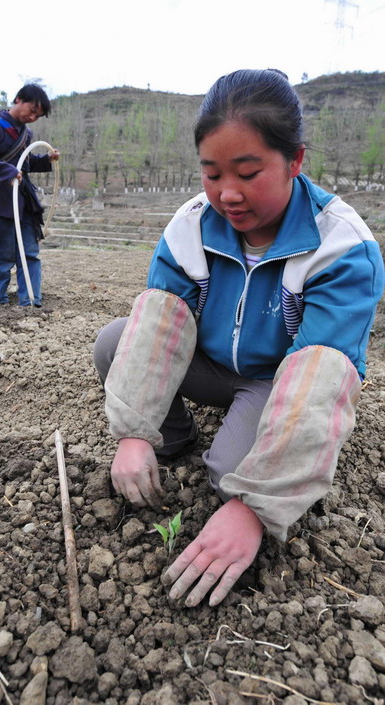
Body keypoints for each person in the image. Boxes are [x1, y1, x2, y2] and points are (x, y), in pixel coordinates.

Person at [93, 69, 384, 608]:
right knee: (114, 342)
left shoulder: (341, 247)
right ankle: (171, 438)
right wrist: (133, 432)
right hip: (210, 366)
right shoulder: (193, 225)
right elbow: (160, 324)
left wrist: (255, 508)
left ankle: (241, 464)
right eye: (211, 173)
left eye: (249, 173)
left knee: (233, 479)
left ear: (295, 161)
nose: (228, 194)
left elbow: (321, 374)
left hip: (278, 381)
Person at [0, 84, 59, 306]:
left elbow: (23, 165)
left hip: (25, 201)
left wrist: (45, 160)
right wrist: (6, 171)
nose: (33, 117)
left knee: (30, 254)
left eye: (38, 115)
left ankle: (31, 300)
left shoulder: (26, 134)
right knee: (1, 256)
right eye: (32, 109)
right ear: (18, 99)